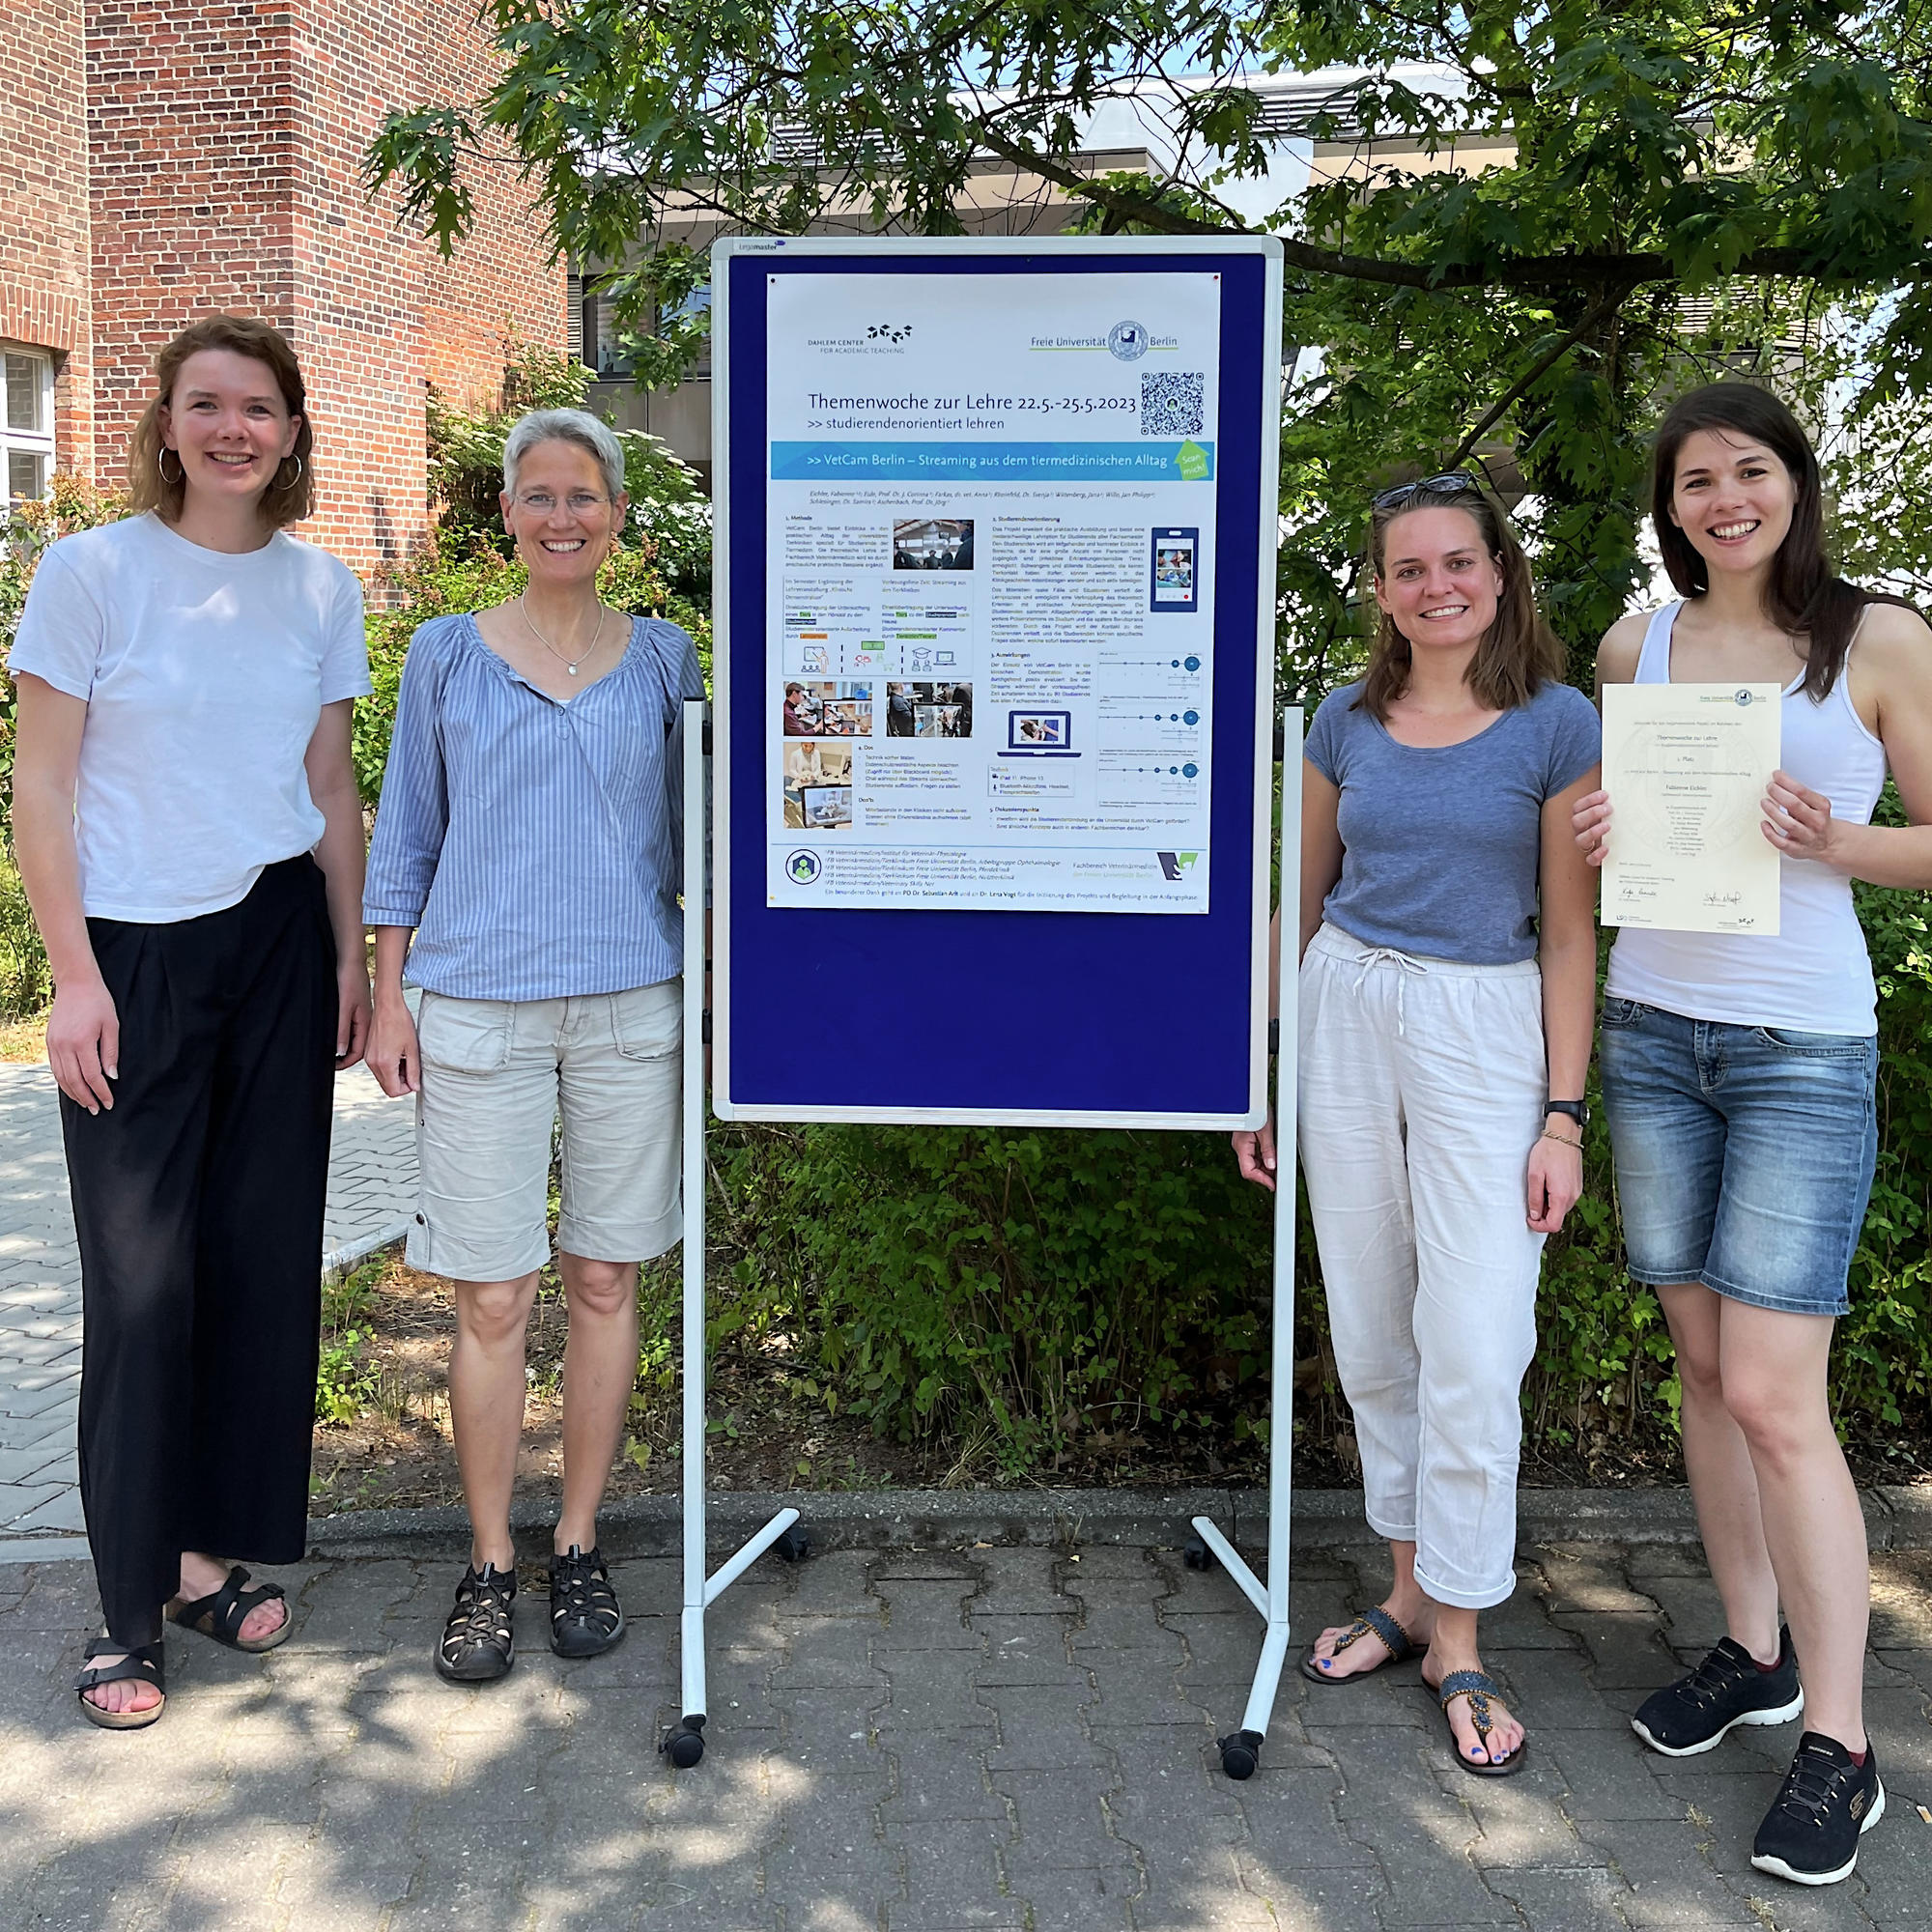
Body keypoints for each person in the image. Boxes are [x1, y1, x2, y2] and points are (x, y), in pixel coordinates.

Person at [1573, 383, 1932, 1885]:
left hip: (1799, 1055)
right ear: (1671, 505)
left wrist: (1835, 842)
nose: (1726, 498)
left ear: (1795, 480)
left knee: (1782, 1396)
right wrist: (1597, 827)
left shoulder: (1882, 639)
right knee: (1708, 1373)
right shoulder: (1630, 646)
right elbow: (1618, 815)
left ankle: (1841, 1752)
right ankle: (1752, 1650)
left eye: (1751, 469)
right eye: (1697, 480)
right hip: (1652, 1034)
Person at [10, 315, 372, 1729]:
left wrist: (349, 961)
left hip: (281, 942)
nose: (234, 429)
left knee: (255, 1267)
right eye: (207, 405)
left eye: (260, 407)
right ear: (165, 423)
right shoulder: (91, 572)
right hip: (139, 962)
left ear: (290, 431)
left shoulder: (320, 586)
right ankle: (121, 1609)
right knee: (142, 1286)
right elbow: (41, 785)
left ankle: (201, 1556)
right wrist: (72, 974)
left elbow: (332, 787)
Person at [1234, 473, 1600, 1777]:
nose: (1436, 586)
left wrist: (1562, 1118)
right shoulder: (1347, 718)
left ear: (1500, 573)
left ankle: (1463, 1631)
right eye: (1408, 569)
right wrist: (1254, 1073)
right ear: (1382, 592)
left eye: (1459, 562)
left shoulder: (1557, 725)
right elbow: (1304, 903)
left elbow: (1568, 933)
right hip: (1346, 1013)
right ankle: (1405, 1594)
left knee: (1479, 1330)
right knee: (1375, 1324)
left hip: (1483, 1030)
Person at [362, 407, 703, 1685]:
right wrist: (389, 997)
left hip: (630, 1010)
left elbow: (697, 847)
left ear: (619, 516)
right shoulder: (449, 656)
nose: (563, 517)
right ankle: (490, 1559)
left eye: (586, 496)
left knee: (606, 1282)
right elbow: (405, 838)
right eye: (540, 496)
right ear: (505, 514)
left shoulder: (668, 661)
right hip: (479, 1012)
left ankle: (577, 1541)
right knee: (494, 1292)